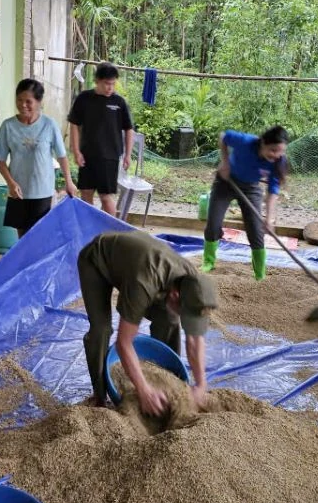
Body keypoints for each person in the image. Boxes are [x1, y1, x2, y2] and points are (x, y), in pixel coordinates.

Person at [77, 230, 217, 415]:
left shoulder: (194, 285)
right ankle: (100, 397)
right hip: (97, 260)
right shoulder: (143, 282)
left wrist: (200, 384)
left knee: (169, 320)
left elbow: (195, 340)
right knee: (101, 329)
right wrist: (144, 390)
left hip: (139, 265)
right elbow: (123, 343)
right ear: (175, 295)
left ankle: (171, 384)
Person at [202, 126, 290, 281]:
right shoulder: (245, 142)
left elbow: (272, 192)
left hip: (250, 188)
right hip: (225, 182)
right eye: (273, 150)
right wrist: (225, 162)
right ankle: (208, 262)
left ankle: (259, 274)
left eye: (280, 151)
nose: (277, 155)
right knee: (213, 225)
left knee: (256, 231)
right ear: (263, 143)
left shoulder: (278, 161)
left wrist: (269, 219)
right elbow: (223, 136)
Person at [0, 79, 75, 237]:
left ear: (39, 102)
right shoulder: (8, 126)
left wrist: (69, 182)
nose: (23, 105)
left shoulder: (49, 125)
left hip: (42, 192)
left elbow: (62, 156)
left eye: (28, 101)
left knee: (40, 237)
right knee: (23, 238)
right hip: (18, 192)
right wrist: (11, 183)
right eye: (19, 100)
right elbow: (0, 161)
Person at [68, 63, 134, 216]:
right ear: (97, 81)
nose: (110, 88)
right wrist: (76, 151)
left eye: (113, 84)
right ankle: (89, 228)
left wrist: (128, 155)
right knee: (86, 193)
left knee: (106, 197)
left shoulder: (119, 102)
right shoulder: (84, 98)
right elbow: (74, 124)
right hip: (87, 155)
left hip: (109, 157)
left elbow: (129, 129)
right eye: (106, 83)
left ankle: (111, 229)